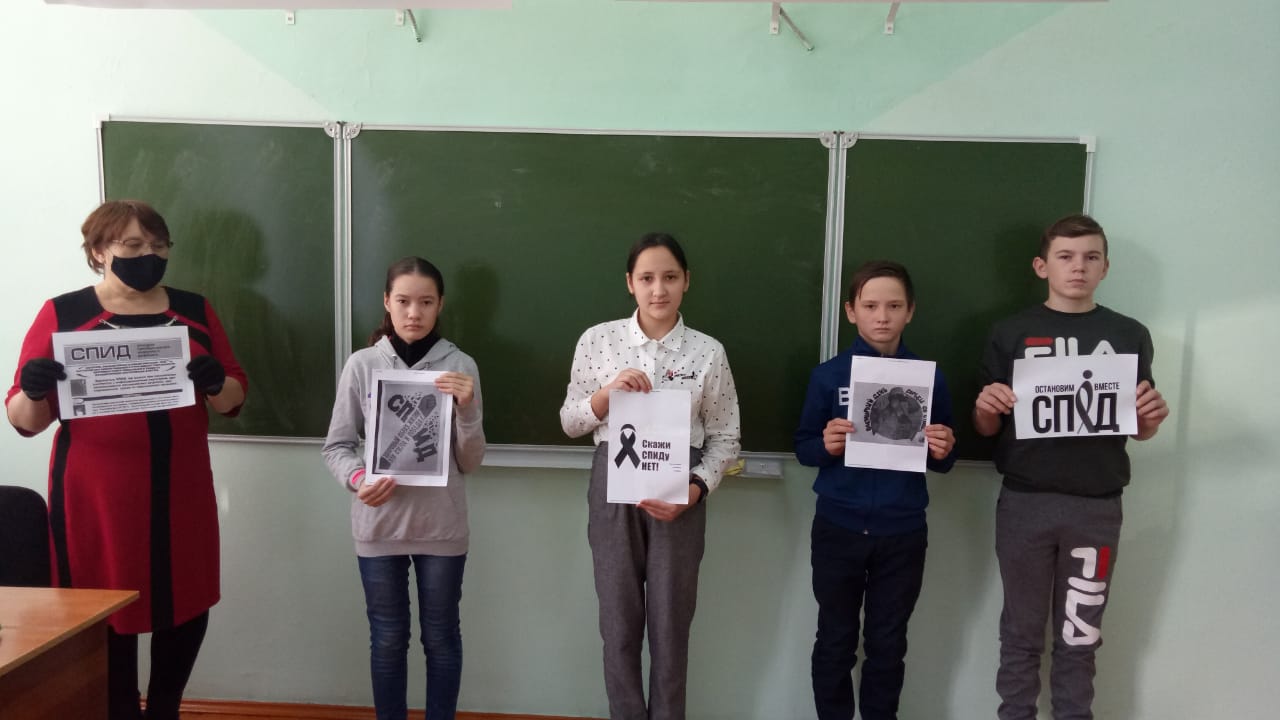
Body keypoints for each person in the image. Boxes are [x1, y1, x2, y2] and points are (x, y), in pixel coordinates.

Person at [5, 200, 247, 720]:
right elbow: (24, 420)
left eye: (158, 246)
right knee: (103, 603)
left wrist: (215, 381)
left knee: (184, 597)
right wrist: (32, 388)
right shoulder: (63, 313)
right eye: (133, 246)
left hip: (181, 487)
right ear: (98, 251)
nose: (147, 256)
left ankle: (164, 709)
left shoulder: (195, 309)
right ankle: (118, 709)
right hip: (95, 496)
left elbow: (233, 398)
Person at [973, 214, 1170, 720]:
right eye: (1065, 256)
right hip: (1025, 503)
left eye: (1090, 257)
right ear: (1042, 266)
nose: (1078, 267)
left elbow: (1137, 427)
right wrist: (985, 407)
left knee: (1079, 637)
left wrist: (1150, 420)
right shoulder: (1010, 332)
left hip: (1096, 507)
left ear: (1105, 267)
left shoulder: (1128, 334)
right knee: (1020, 633)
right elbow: (986, 428)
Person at [559, 232, 740, 720]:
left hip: (680, 489)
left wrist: (695, 489)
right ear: (630, 283)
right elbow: (571, 422)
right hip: (612, 485)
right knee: (618, 623)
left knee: (670, 625)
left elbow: (726, 437)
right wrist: (606, 394)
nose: (658, 289)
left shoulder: (707, 352)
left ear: (686, 281)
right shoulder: (598, 341)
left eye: (670, 277)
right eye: (647, 278)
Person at [322, 256, 486, 720]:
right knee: (388, 638)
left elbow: (471, 461)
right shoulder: (363, 365)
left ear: (440, 305)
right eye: (404, 301)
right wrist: (359, 480)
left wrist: (468, 410)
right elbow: (336, 446)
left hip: (441, 527)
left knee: (441, 636)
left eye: (426, 302)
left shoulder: (460, 365)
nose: (414, 313)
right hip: (379, 525)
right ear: (387, 303)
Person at [794, 260, 957, 720]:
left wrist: (944, 448)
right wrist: (825, 445)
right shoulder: (828, 376)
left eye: (894, 306)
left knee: (888, 644)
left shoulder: (929, 378)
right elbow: (804, 447)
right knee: (835, 639)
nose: (882, 316)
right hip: (838, 527)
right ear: (851, 311)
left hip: (902, 531)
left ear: (910, 311)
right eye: (870, 306)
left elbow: (944, 459)